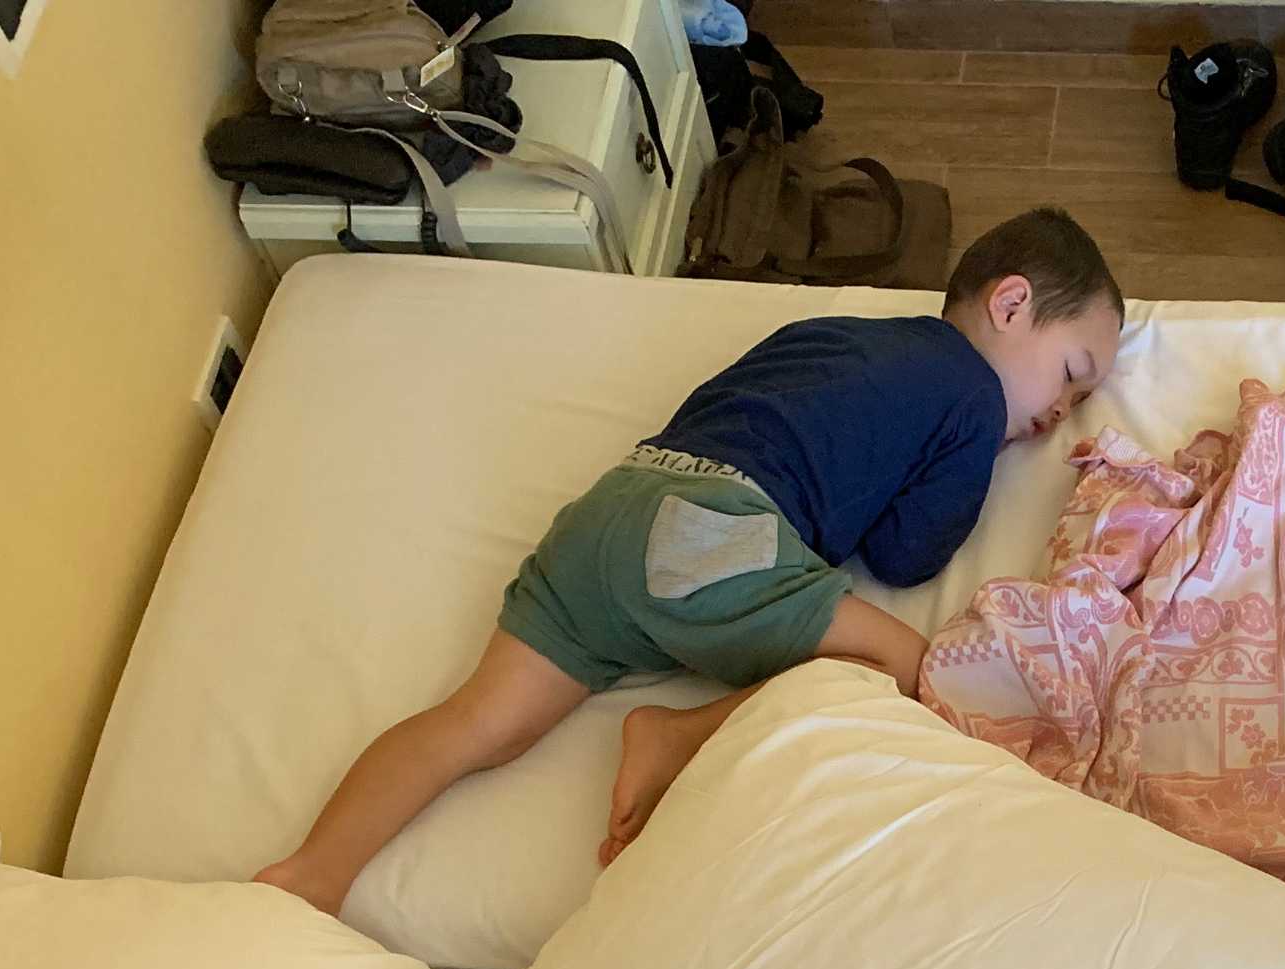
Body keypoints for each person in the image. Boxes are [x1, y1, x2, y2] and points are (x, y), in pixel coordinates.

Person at [255, 207, 1127, 913]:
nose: (1061, 412)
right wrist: (979, 457)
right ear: (1010, 306)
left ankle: (310, 873)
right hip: (711, 534)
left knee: (477, 724)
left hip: (615, 511)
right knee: (904, 665)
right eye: (1070, 377)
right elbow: (907, 557)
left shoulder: (832, 334)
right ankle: (673, 734)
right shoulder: (972, 395)